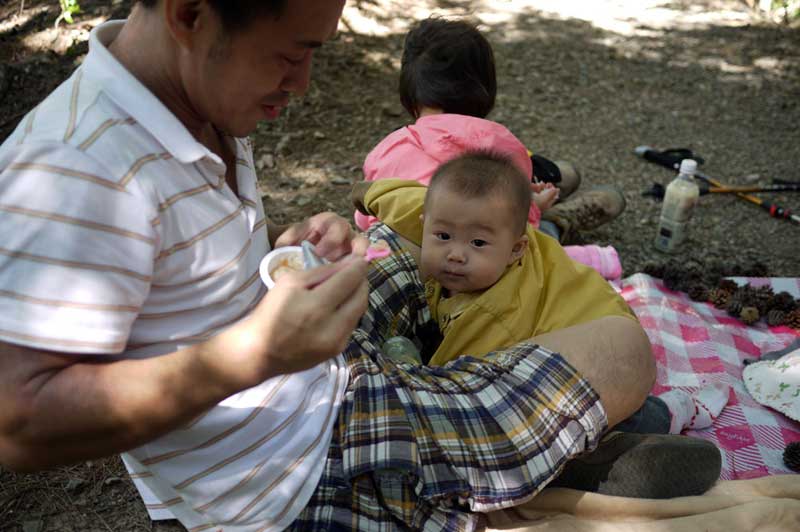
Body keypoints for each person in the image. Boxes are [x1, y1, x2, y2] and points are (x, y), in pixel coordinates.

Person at [0, 2, 720, 531]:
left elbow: (177, 298)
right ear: (191, 13)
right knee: (620, 348)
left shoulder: (192, 99)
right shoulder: (78, 168)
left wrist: (289, 255)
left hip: (308, 383)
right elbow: (17, 422)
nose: (304, 83)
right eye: (289, 56)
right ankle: (544, 456)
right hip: (295, 473)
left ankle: (532, 446)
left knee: (427, 249)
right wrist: (257, 352)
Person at [356, 17, 627, 254]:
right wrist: (534, 208)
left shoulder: (387, 148)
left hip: (400, 263)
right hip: (473, 268)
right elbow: (509, 225)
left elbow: (365, 218)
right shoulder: (501, 145)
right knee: (535, 237)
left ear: (409, 93)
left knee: (532, 186)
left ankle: (549, 187)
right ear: (484, 89)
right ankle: (558, 219)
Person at [354, 150, 634, 366]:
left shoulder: (492, 316)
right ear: (424, 223)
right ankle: (555, 217)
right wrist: (364, 193)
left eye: (477, 243)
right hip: (574, 288)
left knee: (626, 415)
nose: (455, 254)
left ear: (516, 250)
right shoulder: (457, 218)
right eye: (442, 236)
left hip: (608, 341)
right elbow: (400, 197)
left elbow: (452, 377)